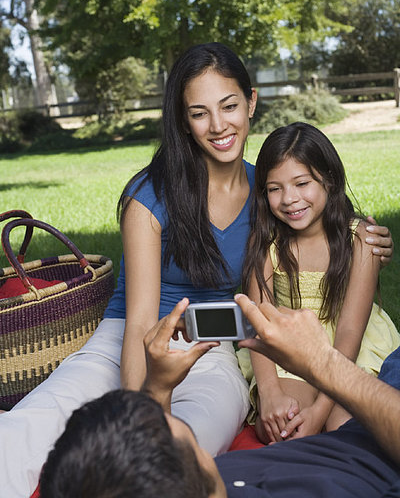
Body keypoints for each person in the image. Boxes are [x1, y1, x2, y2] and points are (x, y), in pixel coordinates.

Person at [0, 45, 394, 498]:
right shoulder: (149, 195)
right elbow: (141, 326)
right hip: (126, 338)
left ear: (250, 102)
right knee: (34, 424)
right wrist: (140, 410)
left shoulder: (270, 193)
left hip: (214, 345)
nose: (219, 125)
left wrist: (366, 238)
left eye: (228, 106)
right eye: (199, 113)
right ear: (184, 120)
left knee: (183, 450)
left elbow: (321, 231)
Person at [39, 297, 400, 498]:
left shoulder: (180, 483)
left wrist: (160, 389)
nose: (155, 410)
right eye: (166, 424)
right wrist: (323, 363)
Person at [237, 122, 400, 444]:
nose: (289, 199)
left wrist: (322, 410)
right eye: (274, 188)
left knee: (349, 428)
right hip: (284, 346)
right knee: (283, 426)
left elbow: (351, 332)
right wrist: (269, 394)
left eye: (302, 183)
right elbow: (256, 321)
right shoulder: (265, 241)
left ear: (329, 180)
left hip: (347, 348)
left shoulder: (362, 240)